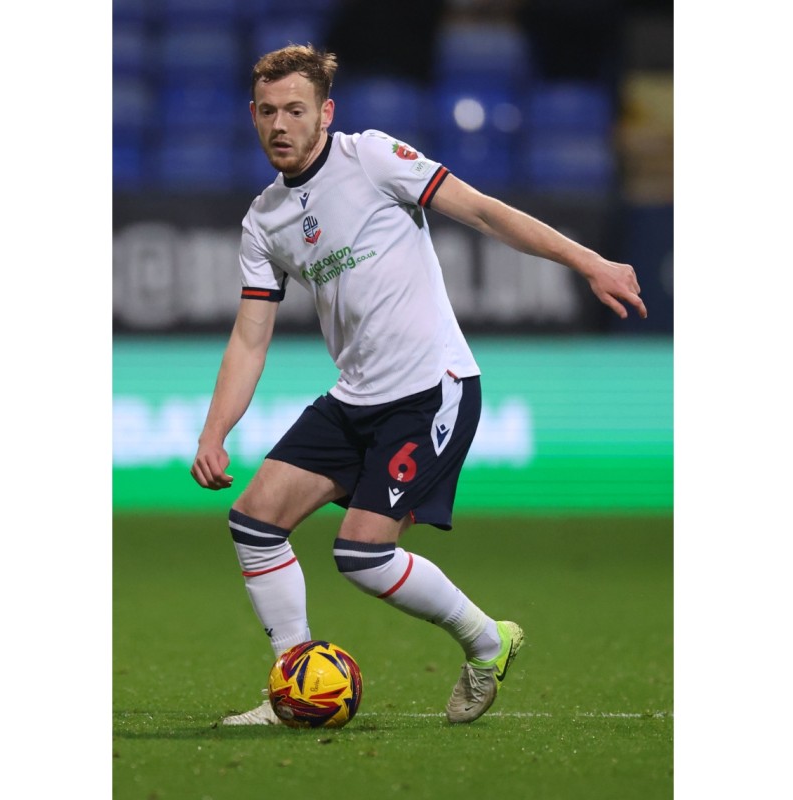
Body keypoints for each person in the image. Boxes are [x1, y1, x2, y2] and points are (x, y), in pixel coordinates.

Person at [190, 44, 647, 726]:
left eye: (295, 109)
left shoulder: (371, 158)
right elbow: (250, 336)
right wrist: (214, 430)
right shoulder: (265, 221)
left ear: (326, 113)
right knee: (255, 523)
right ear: (251, 116)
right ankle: (294, 685)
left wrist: (590, 261)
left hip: (434, 389)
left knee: (361, 556)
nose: (280, 124)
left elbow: (485, 212)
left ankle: (489, 642)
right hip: (356, 397)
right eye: (267, 111)